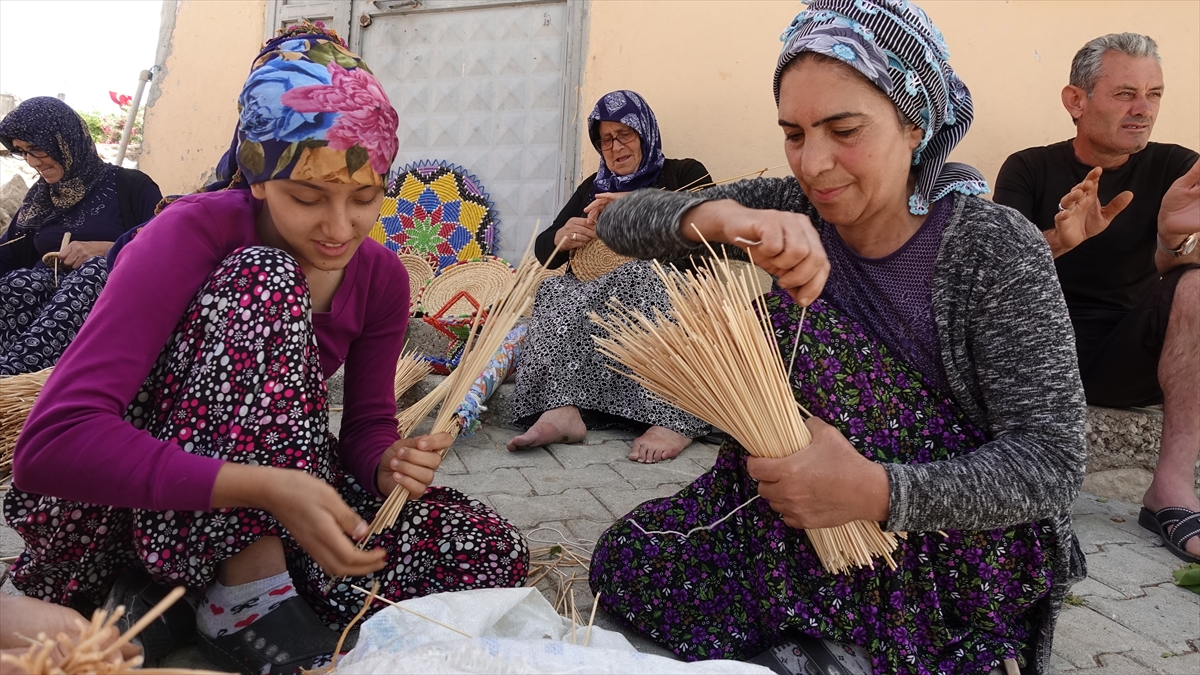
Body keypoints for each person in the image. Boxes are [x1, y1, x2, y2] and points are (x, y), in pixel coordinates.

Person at [3, 25, 527, 675]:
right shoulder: (183, 234)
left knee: (481, 548)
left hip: (273, 487)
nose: (339, 228)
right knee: (267, 276)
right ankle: (237, 594)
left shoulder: (382, 278)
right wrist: (268, 488)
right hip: (130, 504)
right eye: (308, 197)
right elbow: (52, 448)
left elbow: (364, 430)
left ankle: (176, 594)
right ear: (257, 176)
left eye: (364, 198)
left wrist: (389, 464)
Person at [587, 2, 1087, 673]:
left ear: (915, 125)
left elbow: (1051, 462)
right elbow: (619, 223)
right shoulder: (792, 208)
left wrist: (874, 491)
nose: (814, 163)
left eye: (843, 129)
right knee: (626, 561)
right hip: (786, 508)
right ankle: (813, 634)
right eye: (793, 133)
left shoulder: (992, 249)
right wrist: (730, 217)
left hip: (936, 541)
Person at [994, 33, 1199, 563]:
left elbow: (1176, 277)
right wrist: (1058, 241)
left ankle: (1169, 492)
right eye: (1125, 93)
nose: (1143, 109)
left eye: (1154, 94)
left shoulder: (1178, 167)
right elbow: (990, 277)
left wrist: (1174, 242)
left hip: (1124, 355)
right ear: (1076, 101)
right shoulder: (1028, 168)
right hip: (1036, 355)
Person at [509, 90, 714, 463]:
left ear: (645, 132)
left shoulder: (683, 173)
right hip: (602, 290)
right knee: (555, 289)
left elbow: (710, 231)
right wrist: (560, 236)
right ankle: (563, 407)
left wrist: (641, 209)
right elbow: (544, 251)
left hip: (673, 284)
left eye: (625, 134)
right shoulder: (594, 187)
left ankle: (675, 419)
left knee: (638, 273)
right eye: (606, 139)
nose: (616, 146)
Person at [0, 97, 161, 376]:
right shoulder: (41, 198)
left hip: (102, 310)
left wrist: (110, 249)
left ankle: (12, 379)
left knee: (95, 271)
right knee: (16, 284)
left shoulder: (132, 187)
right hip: (40, 301)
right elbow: (8, 254)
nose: (30, 161)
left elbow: (166, 250)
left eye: (37, 149)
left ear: (66, 141)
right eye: (21, 151)